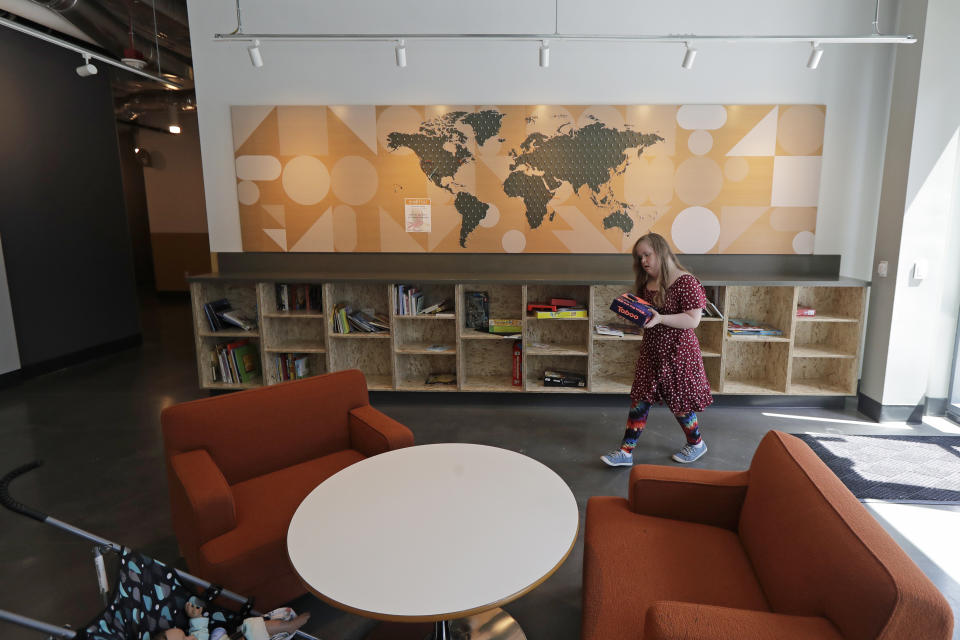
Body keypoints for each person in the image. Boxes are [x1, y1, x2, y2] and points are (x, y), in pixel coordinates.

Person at [601, 232, 713, 467]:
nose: (643, 261)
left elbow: (693, 321)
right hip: (652, 351)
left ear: (661, 252)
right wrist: (633, 312)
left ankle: (696, 444)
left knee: (680, 403)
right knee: (640, 400)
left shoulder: (686, 281)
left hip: (679, 353)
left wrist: (661, 319)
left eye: (647, 254)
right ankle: (625, 451)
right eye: (639, 257)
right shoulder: (647, 283)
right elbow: (648, 318)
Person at [156, 598, 310, 640]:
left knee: (250, 626)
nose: (191, 637)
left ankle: (286, 626)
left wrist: (196, 617)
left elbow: (199, 631)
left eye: (185, 635)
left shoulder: (196, 638)